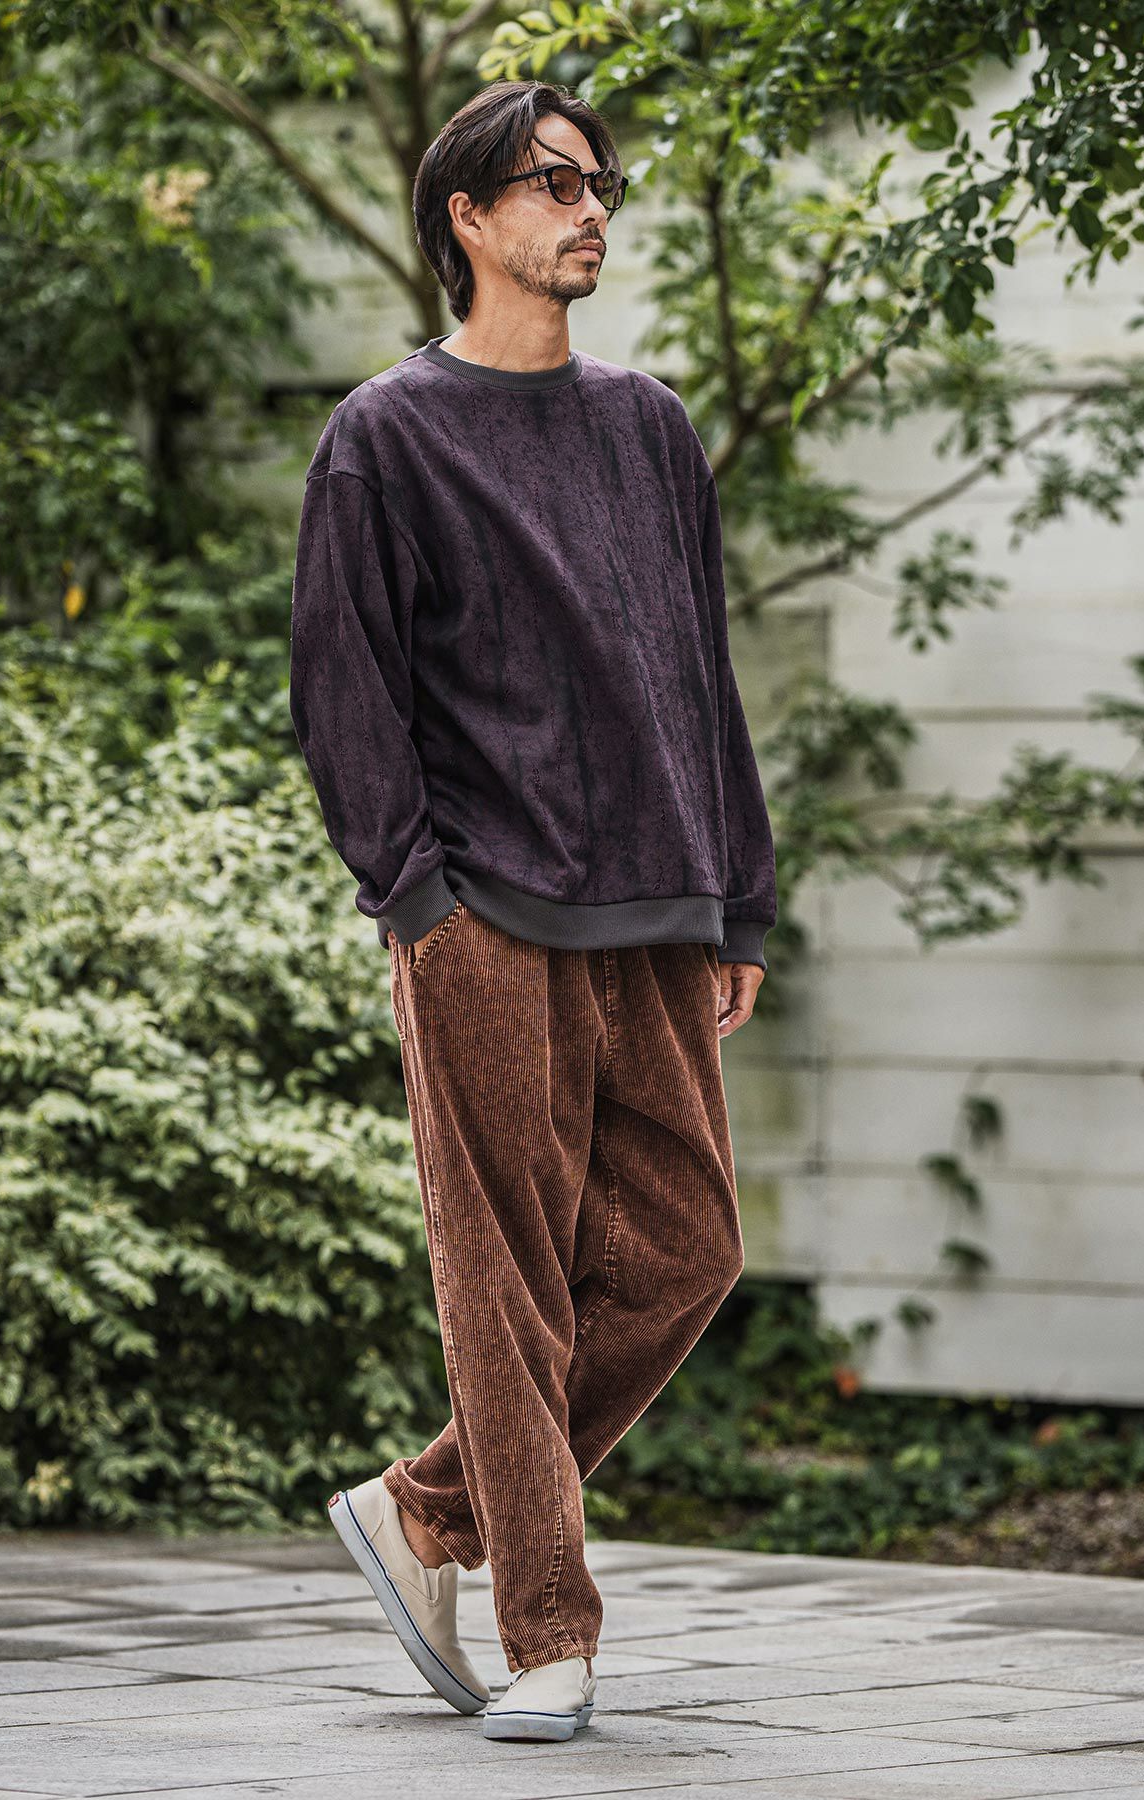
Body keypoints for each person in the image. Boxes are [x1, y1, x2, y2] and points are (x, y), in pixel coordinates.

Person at [288, 77, 777, 1744]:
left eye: (599, 185)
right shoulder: (386, 438)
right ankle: (547, 1631)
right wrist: (418, 900)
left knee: (692, 1249)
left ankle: (427, 1509)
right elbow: (347, 691)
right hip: (484, 910)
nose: (591, 211)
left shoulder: (649, 427)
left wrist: (740, 899)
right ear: (469, 217)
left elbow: (699, 674)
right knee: (506, 1282)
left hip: (658, 907)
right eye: (555, 185)